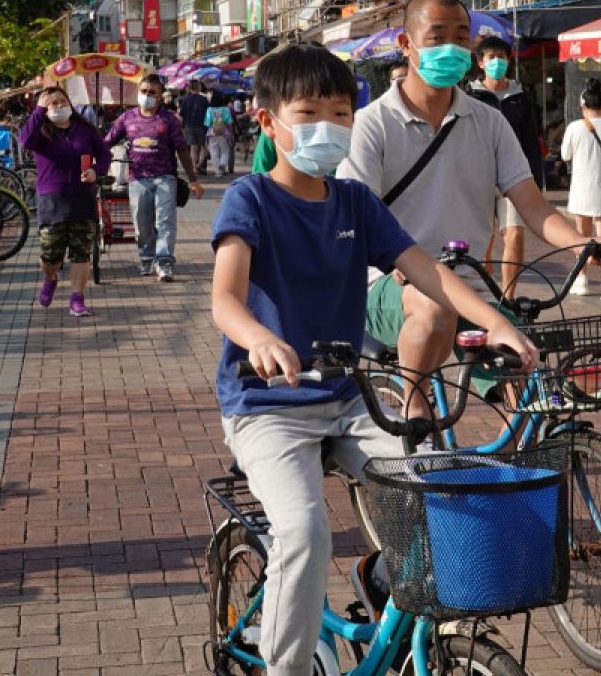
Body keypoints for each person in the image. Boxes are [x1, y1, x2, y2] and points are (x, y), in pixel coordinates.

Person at [212, 43, 537, 676]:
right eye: (308, 113)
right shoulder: (249, 199)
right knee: (304, 532)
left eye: (340, 115)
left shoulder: (355, 203)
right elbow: (225, 299)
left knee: (443, 500)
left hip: (349, 399)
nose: (327, 129)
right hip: (268, 405)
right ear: (267, 121)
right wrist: (257, 338)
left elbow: (427, 274)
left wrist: (499, 323)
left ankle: (383, 587)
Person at [337, 0, 594, 417]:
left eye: (461, 36)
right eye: (437, 36)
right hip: (386, 287)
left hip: (472, 287)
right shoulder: (370, 125)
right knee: (433, 303)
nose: (452, 47)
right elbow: (357, 217)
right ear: (406, 44)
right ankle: (415, 417)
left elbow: (532, 205)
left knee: (529, 380)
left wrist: (580, 244)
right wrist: (396, 264)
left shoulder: (489, 121)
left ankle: (514, 470)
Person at [21, 87, 112, 317]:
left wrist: (96, 170)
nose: (59, 106)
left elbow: (105, 154)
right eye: (53, 103)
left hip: (83, 197)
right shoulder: (40, 131)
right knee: (51, 253)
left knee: (81, 252)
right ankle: (50, 278)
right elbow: (25, 142)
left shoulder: (85, 129)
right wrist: (39, 110)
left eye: (63, 101)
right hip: (52, 199)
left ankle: (77, 297)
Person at [105, 73, 204, 281]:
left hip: (165, 178)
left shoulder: (169, 120)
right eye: (144, 92)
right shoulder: (127, 118)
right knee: (142, 225)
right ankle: (146, 258)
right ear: (138, 93)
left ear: (160, 96)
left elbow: (182, 150)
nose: (147, 95)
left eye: (152, 93)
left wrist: (193, 179)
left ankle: (164, 262)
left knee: (165, 222)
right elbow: (108, 141)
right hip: (138, 179)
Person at [469, 36, 544, 300]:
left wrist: (536, 178)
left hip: (514, 176)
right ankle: (485, 294)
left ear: (509, 60)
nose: (496, 62)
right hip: (478, 177)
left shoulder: (520, 98)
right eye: (491, 57)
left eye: (501, 57)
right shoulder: (470, 97)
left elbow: (531, 140)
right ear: (480, 63)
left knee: (514, 235)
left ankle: (508, 298)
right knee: (483, 242)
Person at [560, 78, 601, 300]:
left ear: (582, 106)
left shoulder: (574, 127)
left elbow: (565, 156)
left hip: (581, 190)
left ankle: (582, 280)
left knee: (582, 237)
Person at [178, 80, 210, 175]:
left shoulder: (186, 99)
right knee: (203, 147)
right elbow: (208, 114)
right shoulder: (204, 99)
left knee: (193, 148)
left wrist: (181, 128)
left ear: (190, 88)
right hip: (202, 126)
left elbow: (181, 115)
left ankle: (193, 167)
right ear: (199, 88)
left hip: (189, 126)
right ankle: (199, 164)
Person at [205, 94, 235, 177]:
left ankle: (217, 172)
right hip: (224, 132)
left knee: (214, 152)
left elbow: (207, 123)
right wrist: (232, 134)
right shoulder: (226, 109)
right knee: (225, 150)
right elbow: (229, 123)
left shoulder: (209, 109)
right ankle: (222, 163)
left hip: (212, 132)